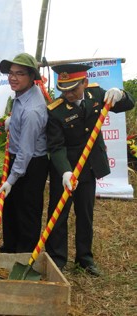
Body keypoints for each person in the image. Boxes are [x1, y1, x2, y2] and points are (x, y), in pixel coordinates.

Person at [46, 63, 135, 276]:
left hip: (88, 168)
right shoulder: (55, 111)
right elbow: (56, 147)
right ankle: (57, 259)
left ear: (85, 83)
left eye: (73, 88)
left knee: (85, 214)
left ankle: (84, 259)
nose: (67, 94)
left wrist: (121, 95)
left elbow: (127, 104)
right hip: (64, 170)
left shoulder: (96, 94)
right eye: (63, 89)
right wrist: (65, 172)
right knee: (58, 214)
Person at [0, 53, 49, 253]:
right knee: (11, 207)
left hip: (31, 163)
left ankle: (25, 254)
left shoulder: (32, 110)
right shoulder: (22, 96)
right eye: (11, 73)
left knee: (27, 209)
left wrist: (12, 179)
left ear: (31, 76)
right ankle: (10, 248)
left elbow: (26, 151)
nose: (13, 78)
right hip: (19, 158)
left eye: (19, 74)